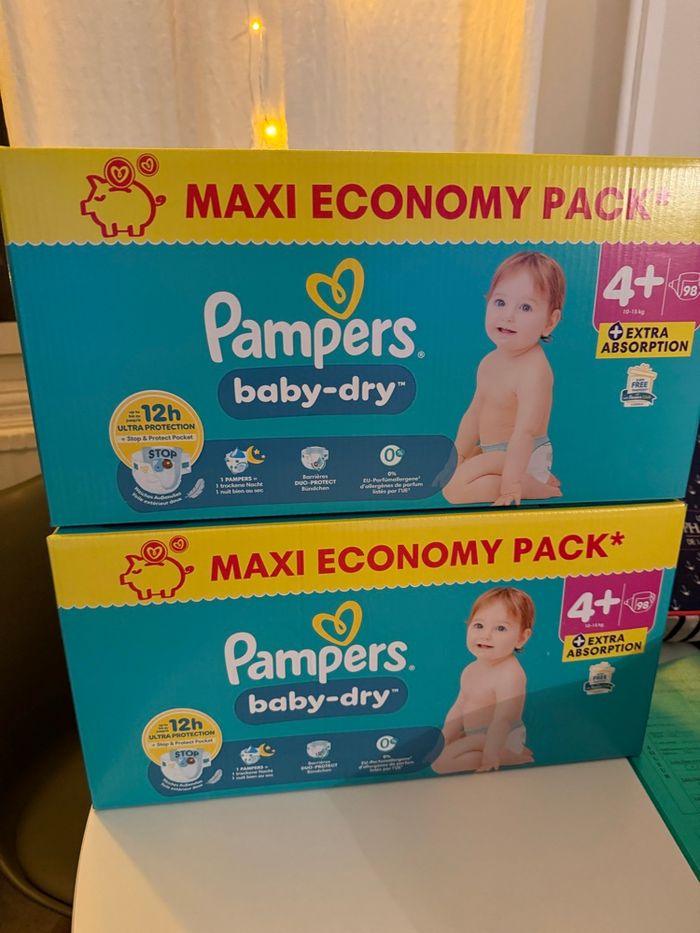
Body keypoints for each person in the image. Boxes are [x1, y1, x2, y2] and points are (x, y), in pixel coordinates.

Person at [442, 251, 565, 507]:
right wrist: (458, 456)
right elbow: (475, 412)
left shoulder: (534, 370)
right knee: (453, 471)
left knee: (453, 491)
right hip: (495, 452)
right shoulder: (489, 362)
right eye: (500, 302)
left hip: (523, 455)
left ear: (550, 322)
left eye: (525, 307)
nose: (508, 316)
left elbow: (525, 430)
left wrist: (511, 485)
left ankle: (536, 487)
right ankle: (531, 478)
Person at [432, 587, 534, 774]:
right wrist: (444, 738)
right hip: (475, 736)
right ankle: (497, 751)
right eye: (479, 625)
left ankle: (511, 755)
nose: (486, 635)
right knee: (438, 751)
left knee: (440, 764)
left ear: (521, 638)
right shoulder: (470, 670)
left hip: (502, 739)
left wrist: (491, 752)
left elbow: (504, 719)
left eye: (500, 628)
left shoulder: (510, 674)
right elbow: (459, 708)